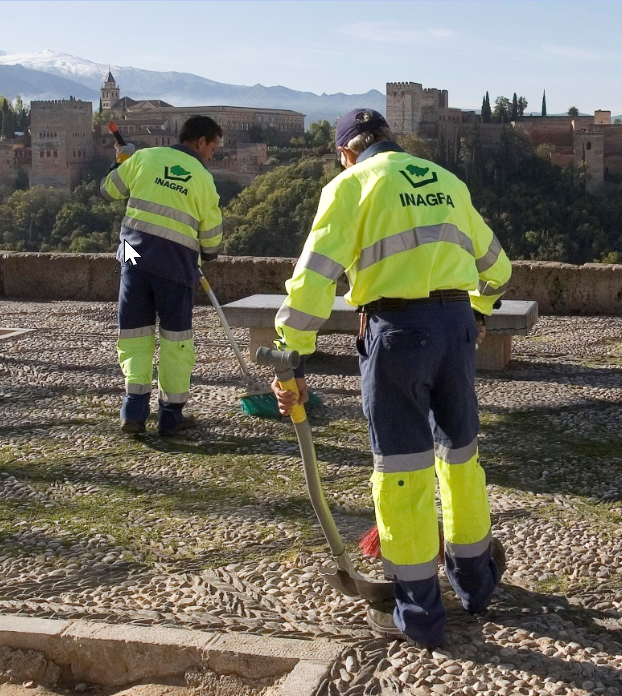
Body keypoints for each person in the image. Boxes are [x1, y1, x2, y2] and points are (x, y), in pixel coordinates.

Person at [271, 109, 511, 647]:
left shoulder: (351, 185)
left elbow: (314, 279)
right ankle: (476, 586)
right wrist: (477, 312)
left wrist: (291, 355)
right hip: (456, 330)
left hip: (398, 332)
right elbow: (497, 267)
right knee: (461, 457)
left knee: (403, 470)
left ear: (346, 151)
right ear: (392, 141)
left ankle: (420, 615)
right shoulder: (446, 181)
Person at [100, 115, 223, 435]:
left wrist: (123, 162)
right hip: (175, 265)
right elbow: (211, 241)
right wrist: (207, 253)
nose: (213, 155)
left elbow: (107, 190)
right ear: (200, 142)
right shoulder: (203, 179)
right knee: (176, 342)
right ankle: (170, 417)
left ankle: (133, 413)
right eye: (213, 148)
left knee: (134, 336)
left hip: (132, 257)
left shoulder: (143, 158)